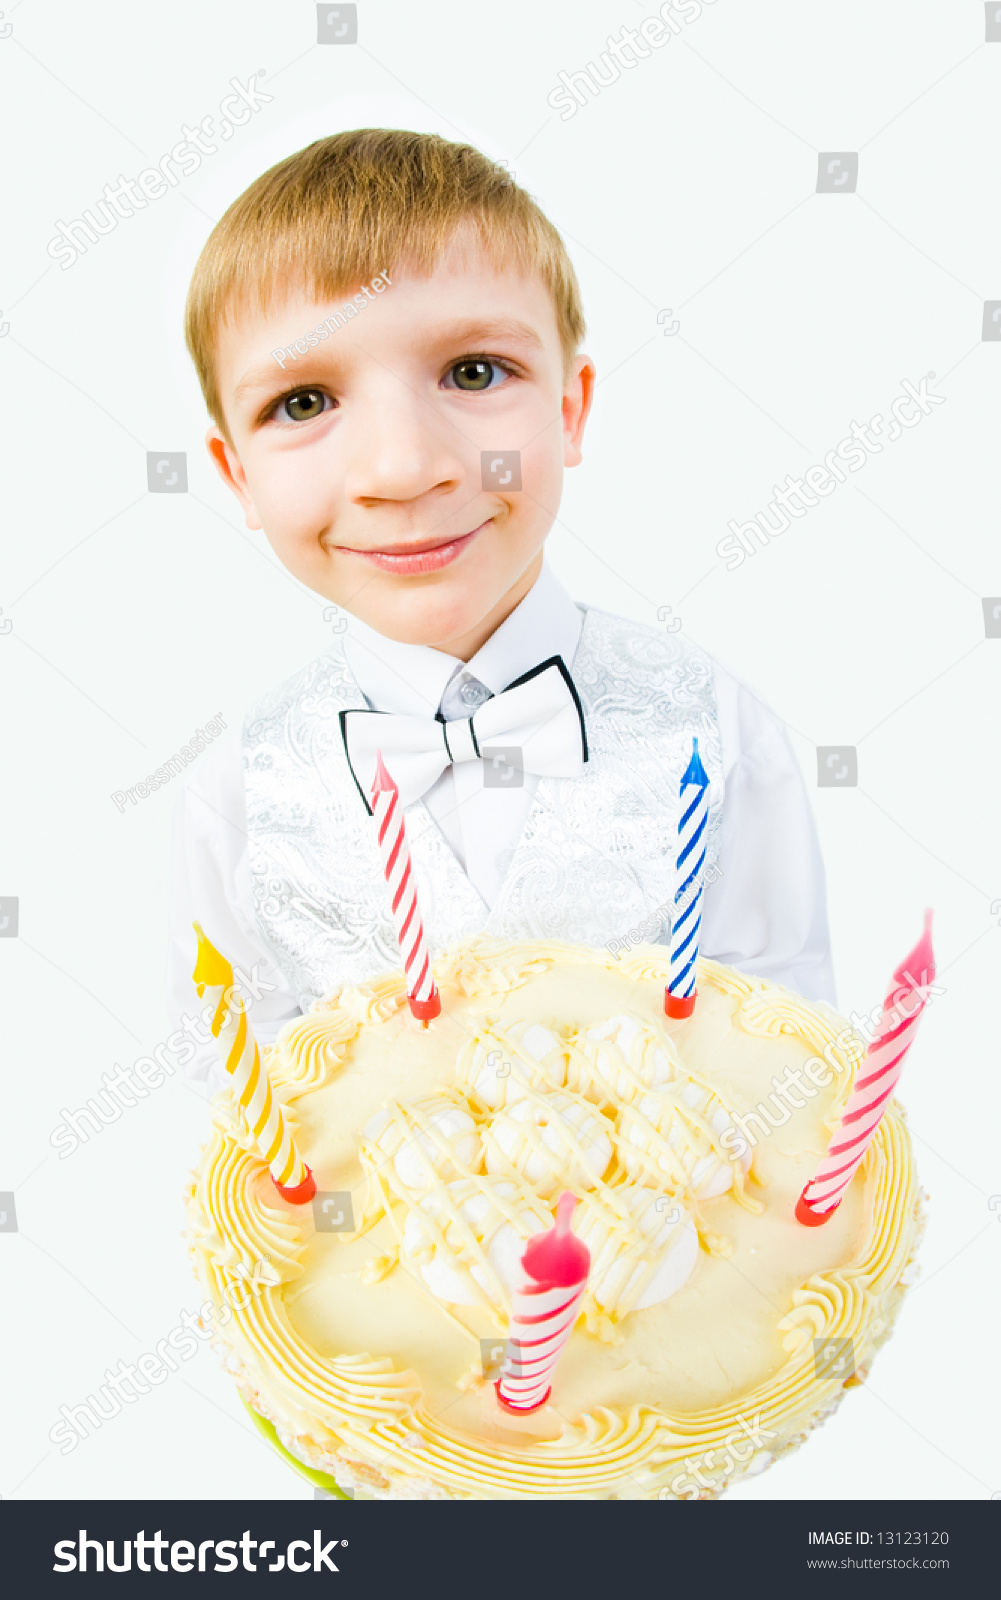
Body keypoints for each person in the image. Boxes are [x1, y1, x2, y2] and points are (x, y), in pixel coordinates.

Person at [169, 128, 833, 1092]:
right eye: (305, 400)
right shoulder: (236, 797)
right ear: (235, 472)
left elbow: (795, 1074)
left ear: (568, 409)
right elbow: (245, 1134)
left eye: (474, 372)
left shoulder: (718, 730)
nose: (401, 468)